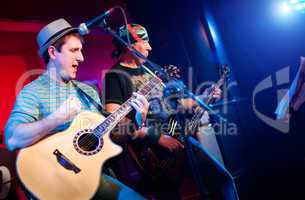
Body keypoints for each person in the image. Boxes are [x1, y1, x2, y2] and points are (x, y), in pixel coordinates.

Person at [4, 18, 149, 200]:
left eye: (81, 50)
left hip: (97, 176)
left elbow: (110, 136)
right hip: (58, 182)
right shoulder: (33, 92)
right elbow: (12, 138)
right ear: (53, 52)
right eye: (74, 50)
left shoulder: (88, 91)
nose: (81, 57)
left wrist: (137, 121)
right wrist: (56, 118)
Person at [103, 24, 236, 200]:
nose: (150, 47)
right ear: (129, 45)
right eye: (145, 42)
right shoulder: (115, 76)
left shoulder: (150, 71)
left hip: (180, 138)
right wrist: (157, 137)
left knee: (222, 180)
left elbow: (176, 104)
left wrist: (203, 97)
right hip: (154, 152)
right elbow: (115, 124)